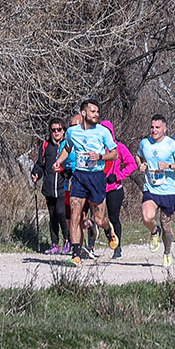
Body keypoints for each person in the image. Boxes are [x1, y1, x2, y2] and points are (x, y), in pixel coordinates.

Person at [57, 106, 117, 265]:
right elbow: (68, 148)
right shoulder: (72, 132)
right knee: (75, 215)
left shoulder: (103, 131)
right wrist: (59, 161)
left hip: (96, 177)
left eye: (98, 111)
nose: (96, 114)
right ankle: (76, 254)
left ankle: (108, 229)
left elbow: (115, 153)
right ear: (84, 113)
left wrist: (100, 156)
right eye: (93, 111)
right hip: (79, 176)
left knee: (98, 219)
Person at [136, 116, 175, 268]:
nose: (154, 130)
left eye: (157, 128)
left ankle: (167, 253)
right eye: (152, 127)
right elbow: (138, 156)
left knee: (166, 224)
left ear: (165, 128)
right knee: (147, 217)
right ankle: (153, 232)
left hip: (168, 191)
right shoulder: (145, 143)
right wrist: (141, 164)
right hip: (151, 188)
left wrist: (169, 166)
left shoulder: (172, 144)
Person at [30, 117, 69, 255]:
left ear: (64, 130)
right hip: (48, 187)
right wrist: (35, 173)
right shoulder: (46, 145)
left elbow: (71, 165)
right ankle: (54, 244)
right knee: (52, 216)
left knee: (61, 213)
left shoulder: (68, 145)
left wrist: (64, 171)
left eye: (59, 129)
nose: (56, 132)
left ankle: (67, 240)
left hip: (63, 186)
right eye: (53, 130)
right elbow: (40, 164)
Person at [103, 127, 138, 259]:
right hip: (98, 188)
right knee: (96, 218)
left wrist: (117, 176)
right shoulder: (95, 146)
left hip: (114, 189)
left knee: (114, 218)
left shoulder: (119, 147)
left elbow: (132, 164)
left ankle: (117, 248)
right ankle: (91, 246)